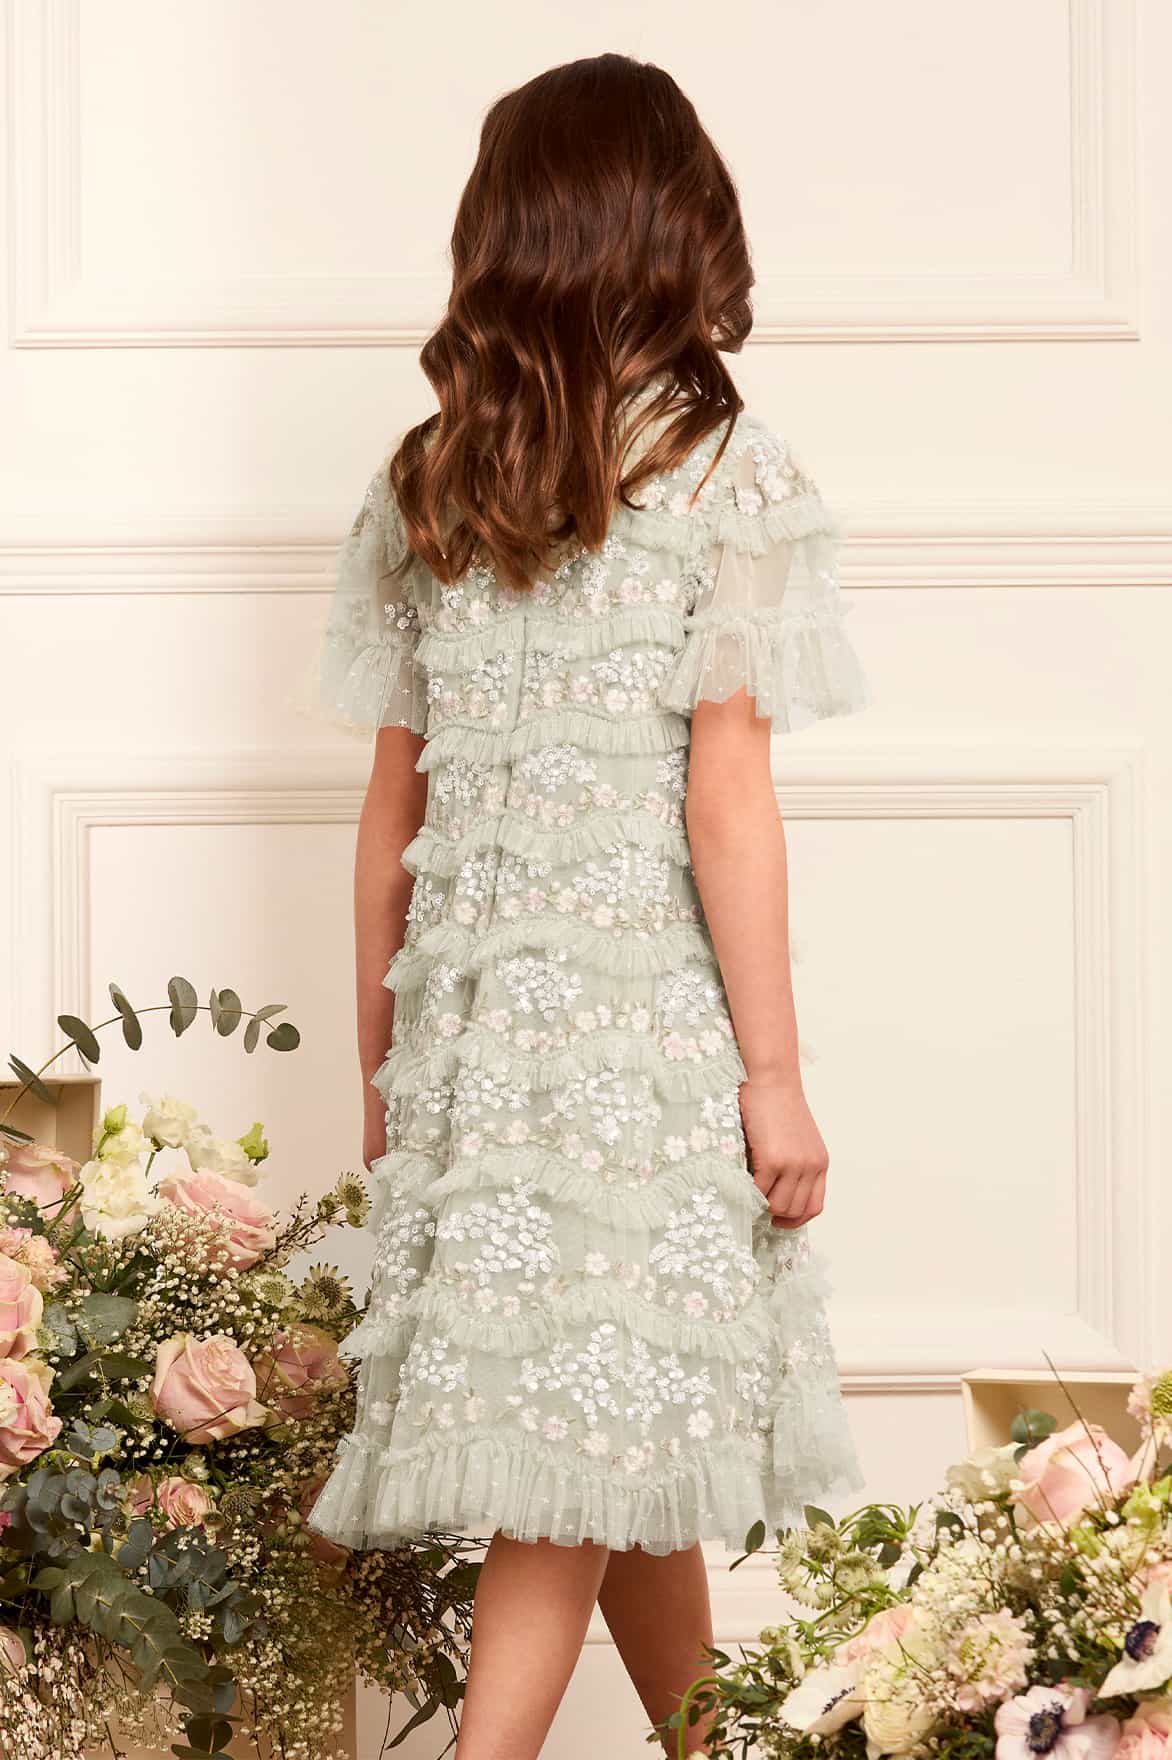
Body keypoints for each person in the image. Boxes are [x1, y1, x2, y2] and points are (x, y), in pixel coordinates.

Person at [301, 50, 870, 1760]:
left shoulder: (436, 475)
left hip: (480, 1053)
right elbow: (726, 803)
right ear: (675, 227)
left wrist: (387, 1062)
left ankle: (720, 1748)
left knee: (620, 1425)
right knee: (581, 1443)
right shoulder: (724, 472)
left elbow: (389, 821)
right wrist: (775, 1076)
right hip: (643, 1058)